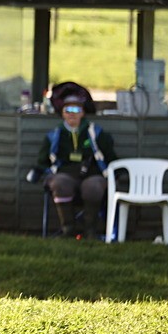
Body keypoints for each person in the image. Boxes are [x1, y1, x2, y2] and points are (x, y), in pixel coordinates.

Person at [28, 94, 117, 239]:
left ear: (82, 113)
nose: (71, 114)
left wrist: (118, 173)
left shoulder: (96, 132)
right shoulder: (54, 135)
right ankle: (68, 229)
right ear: (62, 113)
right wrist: (38, 170)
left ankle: (90, 231)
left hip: (91, 174)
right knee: (60, 183)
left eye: (76, 110)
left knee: (93, 186)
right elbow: (42, 160)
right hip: (64, 173)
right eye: (67, 110)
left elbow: (110, 156)